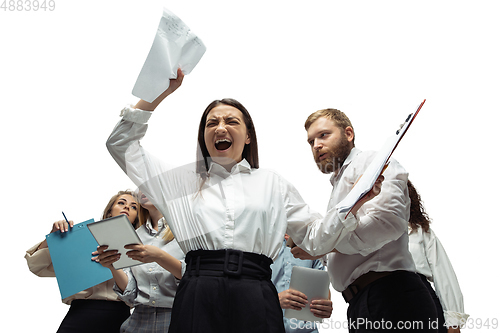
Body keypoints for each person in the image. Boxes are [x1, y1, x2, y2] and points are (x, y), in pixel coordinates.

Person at [105, 69, 383, 333]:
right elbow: (120, 144)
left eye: (231, 121)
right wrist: (158, 92)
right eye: (211, 123)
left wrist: (354, 202)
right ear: (203, 137)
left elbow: (313, 238)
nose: (220, 127)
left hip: (256, 291)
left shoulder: (272, 182)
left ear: (248, 136)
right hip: (198, 290)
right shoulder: (179, 182)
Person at [292, 108, 439, 332]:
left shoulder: (373, 162)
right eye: (311, 141)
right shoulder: (338, 183)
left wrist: (324, 246)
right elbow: (348, 249)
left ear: (348, 133)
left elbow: (386, 223)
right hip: (363, 304)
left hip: (391, 296)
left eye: (323, 135)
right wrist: (319, 249)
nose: (316, 145)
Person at [25, 190, 145, 333]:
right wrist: (53, 238)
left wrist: (112, 266)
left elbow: (133, 291)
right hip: (80, 313)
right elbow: (37, 266)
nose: (126, 207)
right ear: (109, 210)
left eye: (133, 207)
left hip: (119, 317)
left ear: (136, 217)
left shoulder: (141, 247)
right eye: (121, 203)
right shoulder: (82, 238)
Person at [93, 192, 185, 333]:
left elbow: (193, 278)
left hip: (176, 319)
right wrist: (113, 266)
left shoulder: (185, 230)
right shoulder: (134, 236)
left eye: (149, 185)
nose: (143, 190)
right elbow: (130, 296)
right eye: (141, 186)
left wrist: (159, 256)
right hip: (138, 322)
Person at [407, 180, 469, 333]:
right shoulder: (366, 230)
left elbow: (443, 273)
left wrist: (454, 322)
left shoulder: (420, 231)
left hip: (423, 301)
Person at [270, 234, 332, 333]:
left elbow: (322, 286)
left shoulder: (310, 245)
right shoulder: (262, 245)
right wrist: (274, 301)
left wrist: (325, 305)